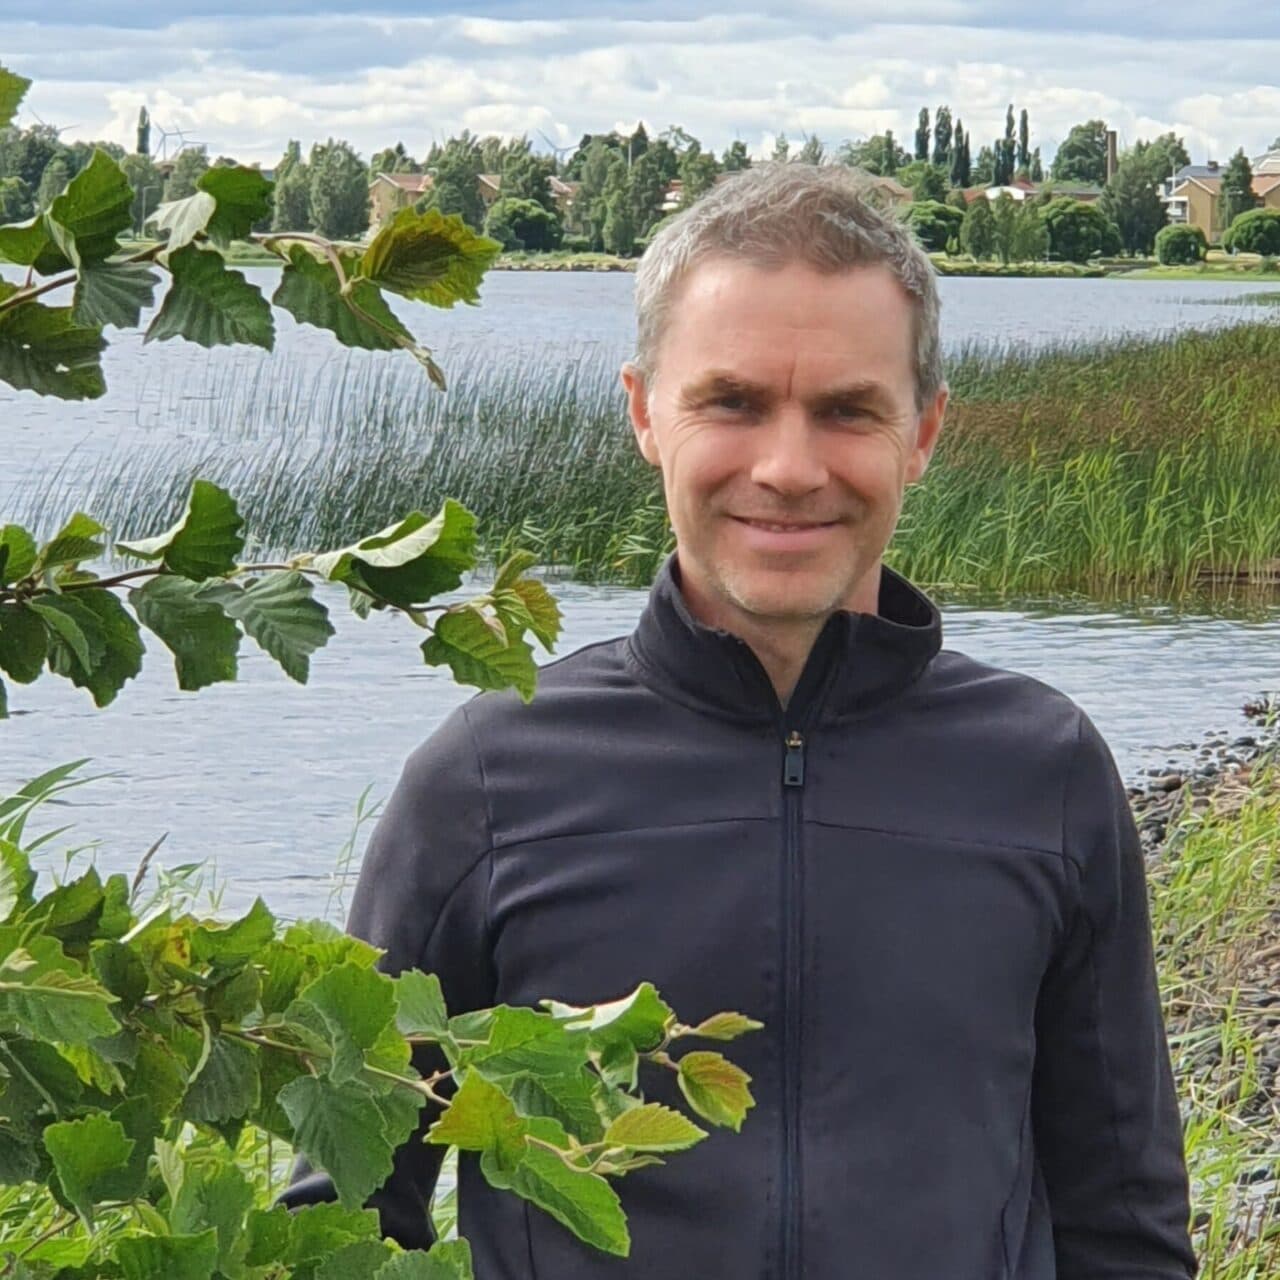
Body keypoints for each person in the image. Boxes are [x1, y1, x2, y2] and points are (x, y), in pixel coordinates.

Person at [281, 163, 1198, 1279]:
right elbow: (344, 1212)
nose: (788, 468)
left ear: (922, 431)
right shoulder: (484, 782)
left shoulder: (1040, 771)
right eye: (732, 402)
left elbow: (1124, 1225)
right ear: (643, 413)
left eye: (847, 410)